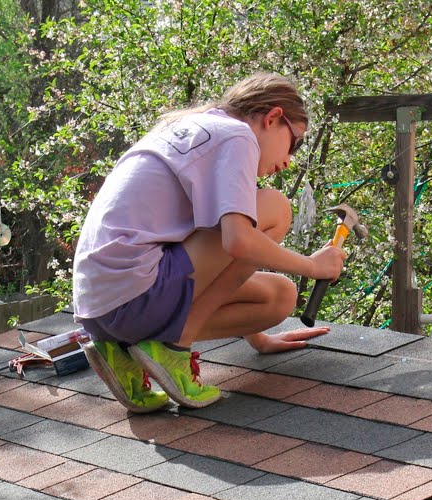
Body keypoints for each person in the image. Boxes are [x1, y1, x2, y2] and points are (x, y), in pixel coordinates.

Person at [71, 72, 345, 413]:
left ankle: (123, 350)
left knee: (278, 297)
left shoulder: (190, 127)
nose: (290, 159)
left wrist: (256, 333)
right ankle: (175, 345)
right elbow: (238, 242)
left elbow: (192, 239)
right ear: (273, 118)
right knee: (276, 207)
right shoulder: (238, 135)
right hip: (137, 293)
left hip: (97, 310)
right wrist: (313, 265)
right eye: (295, 142)